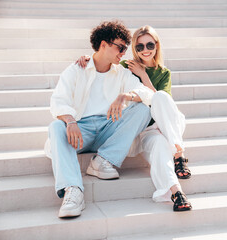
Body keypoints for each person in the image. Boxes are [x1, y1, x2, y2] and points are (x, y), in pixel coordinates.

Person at [76, 25, 192, 211]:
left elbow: (157, 101)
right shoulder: (126, 66)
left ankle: (179, 154)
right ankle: (176, 192)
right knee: (161, 148)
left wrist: (143, 75)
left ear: (156, 45)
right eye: (139, 47)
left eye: (149, 45)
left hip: (168, 124)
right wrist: (88, 58)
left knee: (161, 96)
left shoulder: (164, 73)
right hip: (147, 130)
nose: (145, 50)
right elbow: (103, 61)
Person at [46, 20, 154, 218]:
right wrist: (70, 121)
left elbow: (148, 94)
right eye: (120, 48)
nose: (123, 53)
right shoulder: (76, 69)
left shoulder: (121, 73)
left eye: (125, 49)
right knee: (56, 127)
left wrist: (126, 96)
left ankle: (103, 160)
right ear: (103, 44)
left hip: (108, 129)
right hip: (80, 131)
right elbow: (58, 101)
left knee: (143, 110)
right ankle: (73, 190)